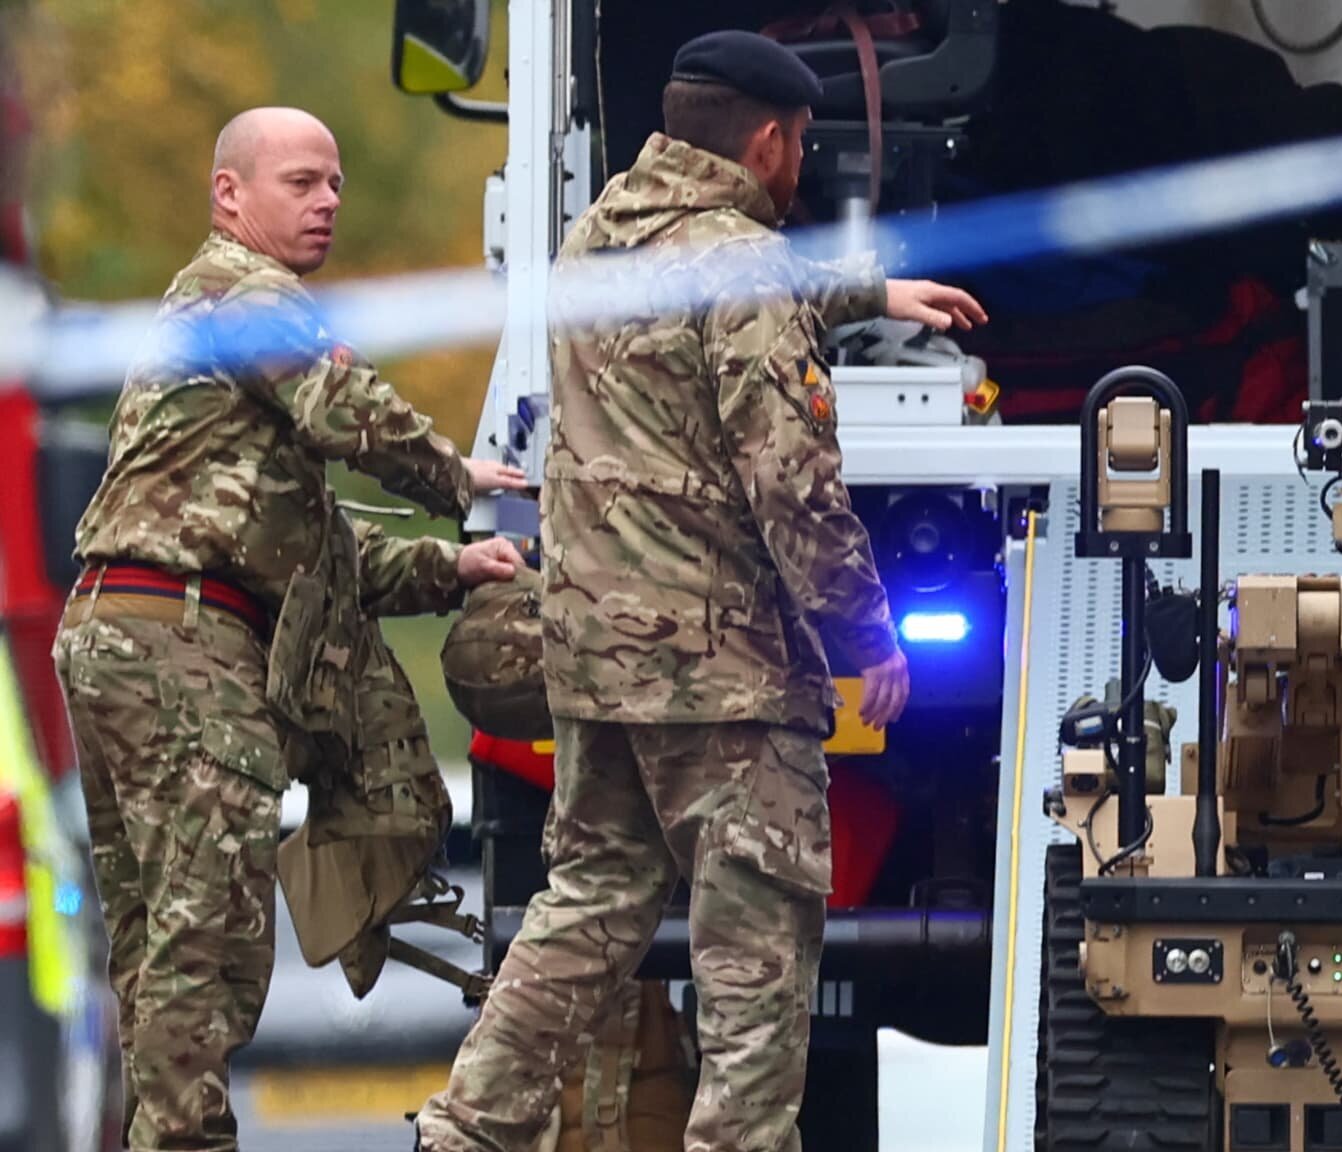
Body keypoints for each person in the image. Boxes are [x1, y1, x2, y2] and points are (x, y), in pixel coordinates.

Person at [414, 30, 986, 1152]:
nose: (799, 164)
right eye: (801, 144)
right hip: (720, 682)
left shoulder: (594, 242)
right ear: (769, 140)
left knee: (583, 913)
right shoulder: (745, 272)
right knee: (755, 965)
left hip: (595, 668)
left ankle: (464, 1130)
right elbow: (793, 482)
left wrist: (873, 288)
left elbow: (714, 286)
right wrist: (867, 638)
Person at [53, 106, 528, 1152]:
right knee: (207, 946)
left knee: (157, 947)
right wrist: (456, 478)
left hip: (127, 631)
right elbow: (347, 411)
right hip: (180, 647)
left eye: (335, 187)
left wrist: (451, 566)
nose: (325, 205)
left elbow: (310, 549)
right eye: (300, 183)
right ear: (230, 196)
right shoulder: (244, 292)